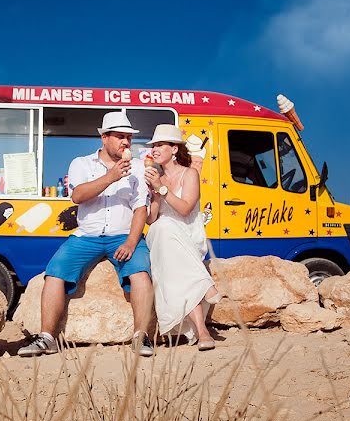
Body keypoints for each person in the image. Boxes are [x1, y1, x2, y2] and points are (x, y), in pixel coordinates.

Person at [18, 111, 156, 357]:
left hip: (123, 234)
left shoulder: (137, 168)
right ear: (104, 137)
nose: (126, 142)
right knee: (54, 273)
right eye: (120, 137)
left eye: (129, 137)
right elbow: (77, 196)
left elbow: (140, 209)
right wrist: (111, 177)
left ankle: (141, 336)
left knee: (141, 274)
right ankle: (47, 337)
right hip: (86, 236)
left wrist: (132, 242)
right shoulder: (81, 163)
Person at [143, 124, 220, 350]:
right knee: (163, 226)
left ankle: (201, 331)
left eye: (159, 145)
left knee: (175, 268)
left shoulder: (190, 174)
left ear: (174, 149)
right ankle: (204, 292)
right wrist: (152, 193)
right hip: (163, 235)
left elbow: (186, 209)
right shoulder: (157, 178)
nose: (155, 149)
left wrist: (162, 188)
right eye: (153, 145)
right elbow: (152, 220)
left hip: (188, 233)